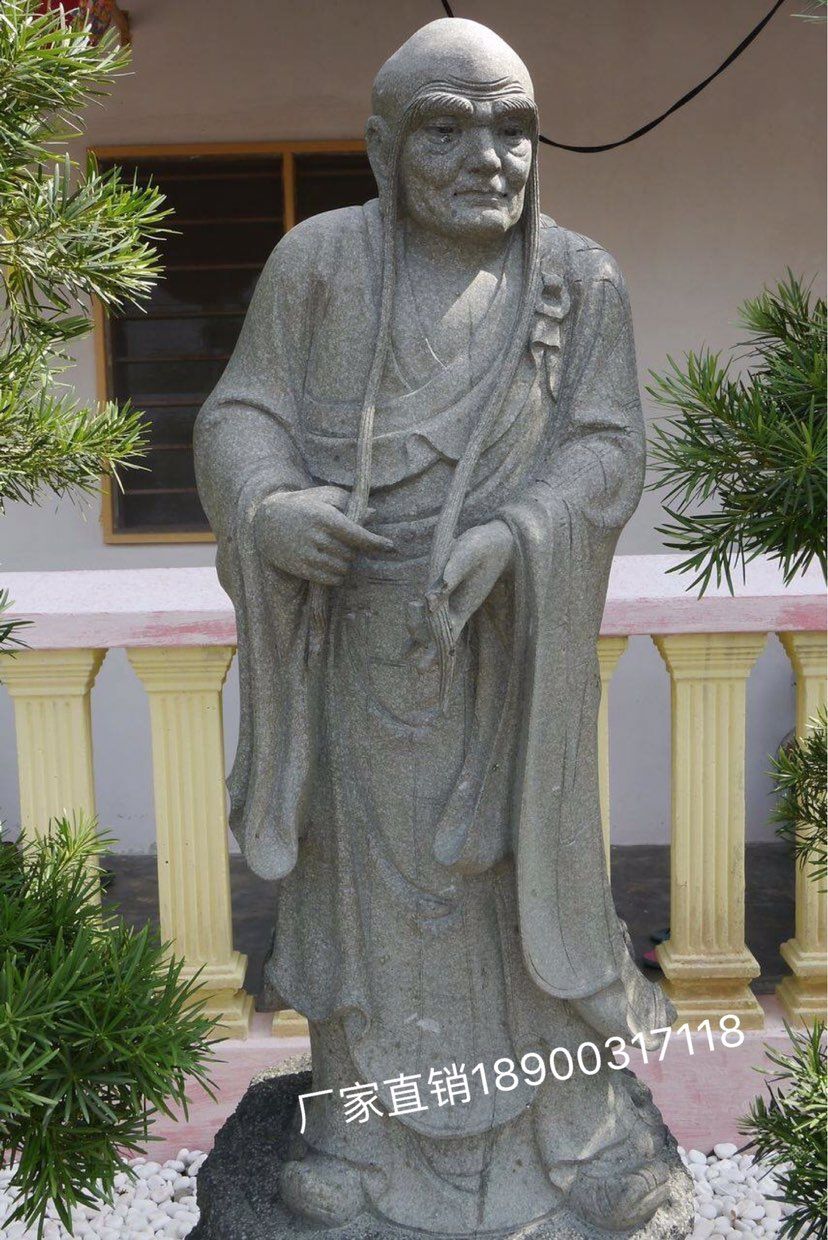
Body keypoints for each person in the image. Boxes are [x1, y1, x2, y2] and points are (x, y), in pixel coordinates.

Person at [195, 18, 683, 1236]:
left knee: (530, 896)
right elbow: (240, 415)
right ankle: (362, 1139)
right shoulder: (319, 266)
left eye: (514, 129)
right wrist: (270, 510)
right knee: (367, 903)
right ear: (382, 148)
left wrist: (517, 535)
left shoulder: (580, 280)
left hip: (512, 653)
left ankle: (575, 1137)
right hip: (361, 641)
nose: (488, 159)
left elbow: (610, 447)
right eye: (447, 130)